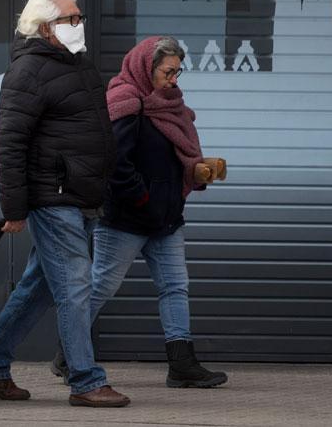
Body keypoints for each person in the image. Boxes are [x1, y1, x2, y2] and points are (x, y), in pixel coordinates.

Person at [0, 0, 131, 408]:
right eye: (71, 19)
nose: (79, 25)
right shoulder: (28, 73)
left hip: (81, 196)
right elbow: (9, 143)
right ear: (45, 27)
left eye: (80, 18)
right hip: (53, 197)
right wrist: (14, 208)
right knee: (76, 285)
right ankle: (86, 379)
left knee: (38, 287)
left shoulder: (76, 64)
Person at [53, 35, 229, 388]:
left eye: (178, 73)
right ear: (146, 68)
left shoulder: (171, 106)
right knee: (102, 285)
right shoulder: (124, 101)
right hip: (127, 219)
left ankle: (182, 365)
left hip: (166, 219)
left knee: (175, 286)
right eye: (168, 72)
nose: (173, 80)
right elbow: (116, 162)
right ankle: (70, 355)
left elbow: (166, 159)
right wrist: (143, 200)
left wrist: (194, 170)